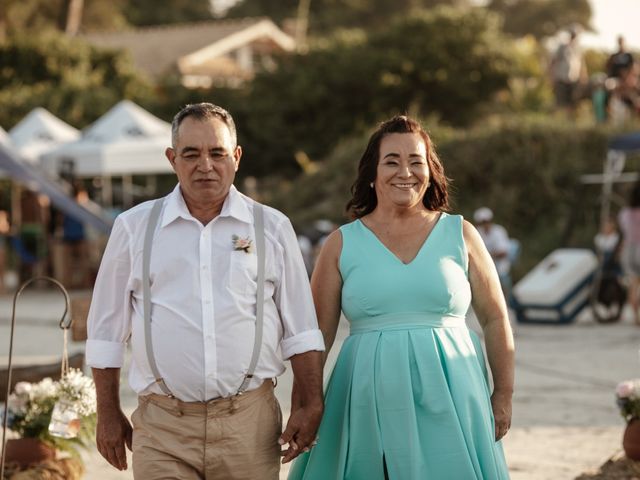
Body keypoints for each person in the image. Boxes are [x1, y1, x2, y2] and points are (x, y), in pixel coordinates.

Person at [86, 103, 325, 479]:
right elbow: (105, 332)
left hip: (249, 423)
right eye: (191, 154)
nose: (205, 165)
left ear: (237, 157)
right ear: (172, 158)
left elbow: (301, 329)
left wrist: (310, 403)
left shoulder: (271, 227)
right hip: (162, 425)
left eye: (217, 153)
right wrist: (108, 413)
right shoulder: (134, 228)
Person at [289, 116, 514, 479]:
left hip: (455, 393)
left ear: (430, 170)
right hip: (363, 397)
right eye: (392, 160)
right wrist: (304, 403)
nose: (405, 171)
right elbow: (316, 336)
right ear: (372, 173)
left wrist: (503, 394)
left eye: (416, 160)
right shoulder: (340, 243)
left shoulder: (462, 234)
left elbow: (495, 318)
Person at [474, 207, 512, 294]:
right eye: (482, 222)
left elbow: (503, 253)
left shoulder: (499, 231)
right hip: (484, 270)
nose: (484, 224)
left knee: (505, 291)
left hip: (501, 269)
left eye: (486, 221)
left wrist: (485, 255)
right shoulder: (477, 232)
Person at [550, 26, 587, 116]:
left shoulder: (579, 48)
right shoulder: (562, 47)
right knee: (560, 101)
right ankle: (557, 121)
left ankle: (569, 121)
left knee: (572, 102)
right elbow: (553, 62)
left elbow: (581, 63)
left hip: (574, 79)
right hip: (562, 78)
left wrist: (584, 76)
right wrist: (551, 77)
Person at [618, 182, 640, 325]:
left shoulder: (624, 213)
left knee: (633, 285)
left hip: (628, 250)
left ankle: (636, 317)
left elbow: (624, 233)